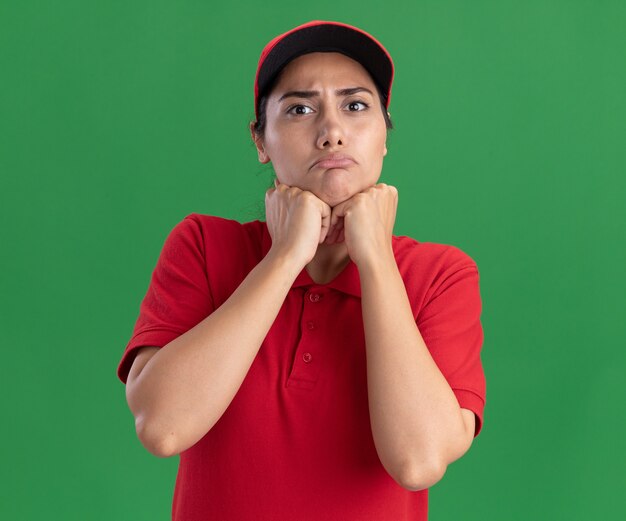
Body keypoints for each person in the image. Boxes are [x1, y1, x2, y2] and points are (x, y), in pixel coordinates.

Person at [117, 20, 486, 521]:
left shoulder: (440, 274)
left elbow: (417, 461)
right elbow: (162, 427)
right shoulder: (204, 246)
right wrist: (285, 257)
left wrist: (376, 260)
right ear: (260, 140)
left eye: (356, 106)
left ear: (384, 135)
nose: (332, 132)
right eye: (299, 109)